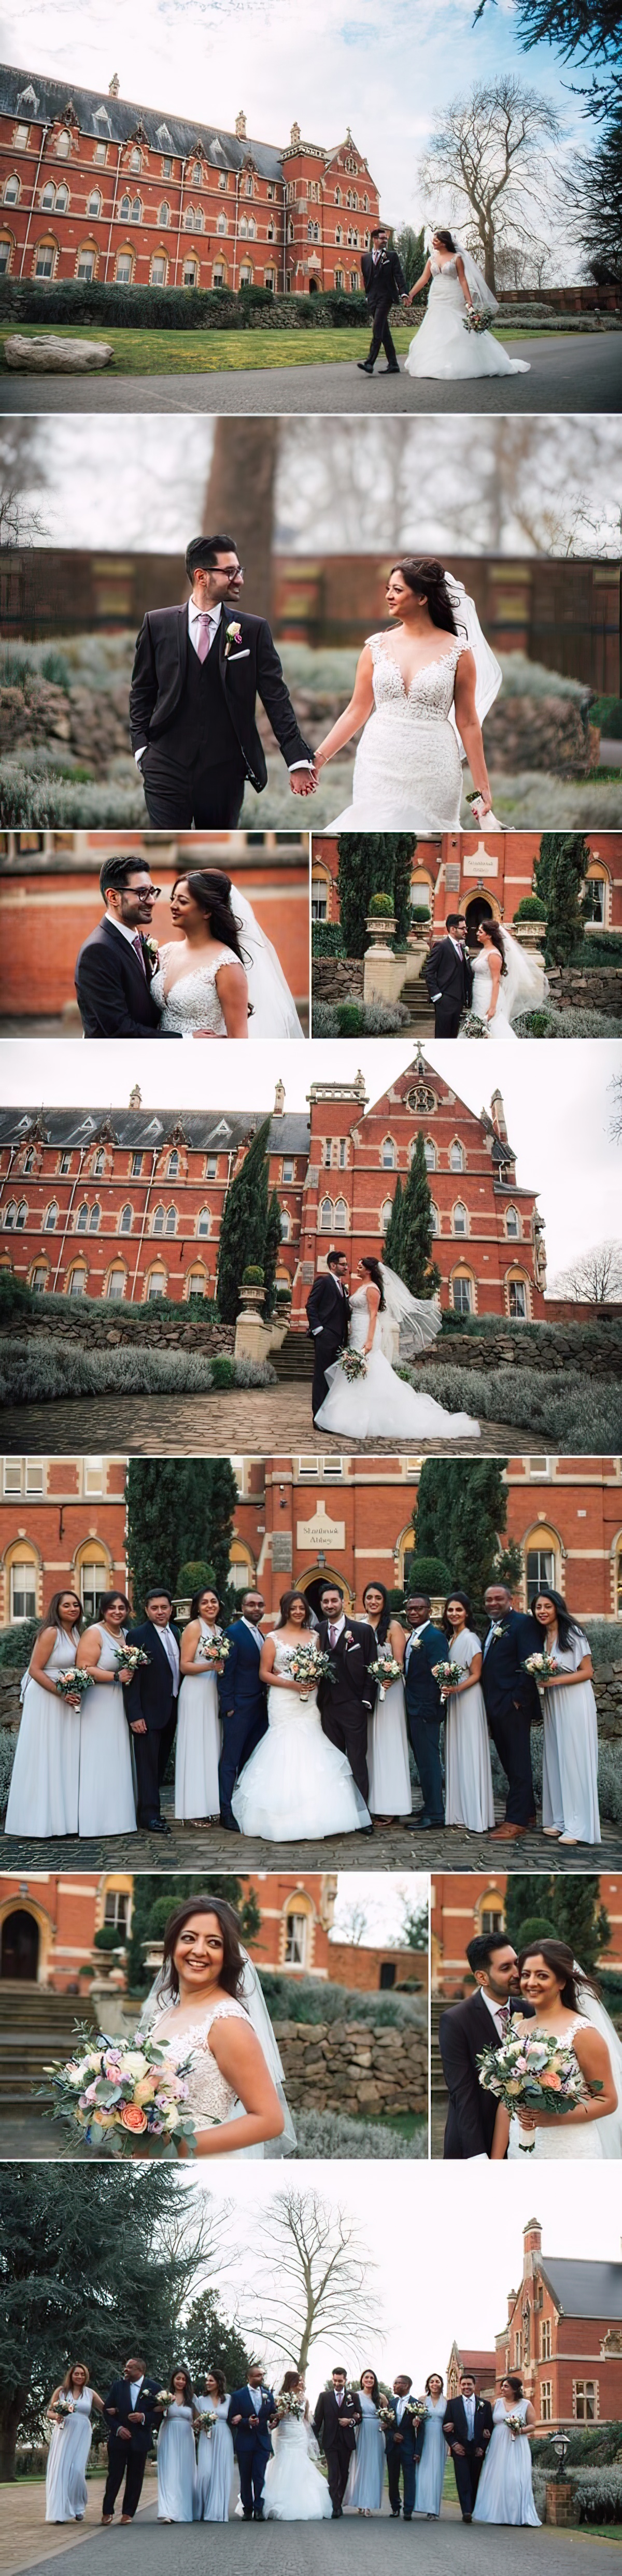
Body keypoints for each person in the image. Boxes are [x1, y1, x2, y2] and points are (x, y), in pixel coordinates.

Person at [129, 532, 315, 830]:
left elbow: (276, 698)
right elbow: (142, 691)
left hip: (224, 773)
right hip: (165, 766)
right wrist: (141, 748)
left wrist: (297, 761)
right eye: (230, 572)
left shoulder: (253, 630)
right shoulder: (157, 624)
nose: (239, 579)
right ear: (201, 576)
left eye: (239, 570)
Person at [313, 559, 502, 831]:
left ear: (423, 597)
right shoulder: (375, 647)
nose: (389, 596)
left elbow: (469, 722)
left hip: (434, 765)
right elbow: (357, 710)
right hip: (379, 763)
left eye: (398, 590)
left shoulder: (459, 652)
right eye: (388, 589)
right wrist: (318, 760)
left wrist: (482, 787)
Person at [138, 1895, 288, 2156]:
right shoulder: (164, 2014)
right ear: (173, 1945)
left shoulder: (227, 2022)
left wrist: (175, 2148)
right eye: (189, 1938)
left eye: (214, 1943)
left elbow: (270, 2120)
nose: (199, 1950)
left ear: (227, 1955)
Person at [231, 1589, 371, 1838]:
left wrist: (313, 1677)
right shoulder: (272, 1638)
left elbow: (322, 1665)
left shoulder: (315, 1636)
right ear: (285, 1611)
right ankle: (280, 1818)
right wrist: (293, 1685)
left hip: (310, 1702)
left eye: (302, 1608)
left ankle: (323, 1814)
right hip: (284, 1700)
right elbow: (265, 1673)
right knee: (284, 1747)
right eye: (293, 1608)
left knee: (313, 1744)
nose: (298, 1612)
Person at [314, 1255, 480, 1444]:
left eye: (360, 1266)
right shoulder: (361, 1287)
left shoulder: (372, 1289)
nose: (356, 1268)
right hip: (356, 1333)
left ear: (369, 1270)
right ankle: (347, 1417)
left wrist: (369, 1342)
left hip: (366, 1334)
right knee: (358, 1374)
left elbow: (374, 1316)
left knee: (369, 1371)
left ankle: (362, 1419)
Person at [490, 1940, 619, 2162]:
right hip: (520, 2150)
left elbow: (608, 2100)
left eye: (542, 1976)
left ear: (561, 1981)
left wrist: (556, 2118)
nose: (531, 1983)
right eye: (526, 1975)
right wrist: (495, 2161)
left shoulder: (583, 2033)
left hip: (570, 2150)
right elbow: (506, 2102)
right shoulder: (517, 2029)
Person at [149, 867, 304, 1039]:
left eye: (183, 902)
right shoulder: (165, 952)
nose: (173, 906)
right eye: (173, 899)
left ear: (207, 912)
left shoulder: (226, 965)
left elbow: (238, 1040)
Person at [439, 1930, 532, 2160]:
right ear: (482, 1977)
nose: (516, 1973)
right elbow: (462, 2093)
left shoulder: (530, 2012)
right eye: (505, 1968)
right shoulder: (456, 2020)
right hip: (474, 2140)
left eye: (516, 1964)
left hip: (523, 2140)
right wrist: (477, 2156)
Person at [75, 854, 181, 1038]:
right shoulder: (98, 951)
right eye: (142, 893)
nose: (151, 901)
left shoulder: (136, 940)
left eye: (152, 891)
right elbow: (120, 1030)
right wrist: (186, 1039)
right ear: (113, 897)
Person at [5, 1589, 83, 1840]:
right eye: (67, 1605)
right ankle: (37, 1821)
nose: (72, 1609)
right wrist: (61, 1693)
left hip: (66, 1698)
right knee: (45, 1754)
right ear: (56, 1609)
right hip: (46, 1698)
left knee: (63, 1755)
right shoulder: (51, 1633)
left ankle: (63, 1820)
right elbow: (36, 1670)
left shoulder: (77, 1633)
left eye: (76, 1605)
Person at [404, 230, 530, 381]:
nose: (433, 242)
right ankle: (436, 363)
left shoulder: (457, 258)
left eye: (436, 240)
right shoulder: (431, 259)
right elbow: (424, 279)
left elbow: (463, 280)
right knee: (437, 325)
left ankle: (466, 362)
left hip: (453, 294)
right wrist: (411, 294)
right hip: (437, 295)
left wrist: (468, 300)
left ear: (444, 243)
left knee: (456, 325)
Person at [533, 1587, 601, 1845]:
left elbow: (587, 1671)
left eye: (547, 1607)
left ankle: (579, 1826)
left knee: (574, 1759)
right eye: (538, 1607)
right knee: (557, 1757)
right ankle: (561, 1819)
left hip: (574, 1700)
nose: (542, 1611)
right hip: (554, 1703)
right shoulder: (542, 1637)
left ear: (557, 1607)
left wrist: (556, 1681)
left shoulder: (573, 1634)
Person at [480, 1582, 542, 1838]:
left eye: (498, 1599)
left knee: (518, 1762)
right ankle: (527, 1812)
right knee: (508, 1761)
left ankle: (516, 1821)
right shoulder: (492, 1627)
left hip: (512, 1705)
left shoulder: (522, 1624)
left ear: (510, 1600)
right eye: (488, 1600)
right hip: (495, 1704)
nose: (493, 1603)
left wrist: (519, 1699)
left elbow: (531, 1662)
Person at [74, 1591, 137, 1836]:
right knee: (100, 1757)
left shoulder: (127, 1636)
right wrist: (114, 1676)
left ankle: (120, 1819)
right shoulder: (94, 1633)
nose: (117, 1612)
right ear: (103, 1610)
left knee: (118, 1756)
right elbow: (84, 1667)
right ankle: (97, 1821)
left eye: (122, 1608)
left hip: (119, 1702)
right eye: (112, 1608)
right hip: (99, 1703)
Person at [124, 1583, 179, 1837]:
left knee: (158, 1764)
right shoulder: (137, 1637)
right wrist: (135, 1715)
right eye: (155, 1608)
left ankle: (151, 1809)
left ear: (171, 1609)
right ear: (146, 1610)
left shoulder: (178, 1632)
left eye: (164, 1608)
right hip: (147, 1712)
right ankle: (149, 1816)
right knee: (147, 1765)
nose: (160, 1612)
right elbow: (131, 1680)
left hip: (171, 1709)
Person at [316, 1580, 376, 1810]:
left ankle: (362, 1814)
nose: (330, 1605)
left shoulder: (362, 1631)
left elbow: (371, 1668)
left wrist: (366, 1701)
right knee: (334, 1761)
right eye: (326, 1602)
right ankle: (338, 1810)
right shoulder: (317, 1631)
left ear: (343, 1602)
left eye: (334, 1600)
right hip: (327, 1707)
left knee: (357, 1760)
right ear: (321, 1605)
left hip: (353, 1706)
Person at [442, 1590, 494, 1835]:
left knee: (470, 1750)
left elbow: (477, 1674)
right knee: (457, 1751)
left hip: (469, 1698)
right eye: (450, 1610)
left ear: (467, 1613)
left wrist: (456, 1688)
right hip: (454, 1699)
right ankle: (460, 1811)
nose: (454, 1614)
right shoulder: (451, 1639)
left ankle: (475, 1813)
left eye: (458, 1610)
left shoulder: (471, 1638)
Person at [360, 1580, 412, 1822]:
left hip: (390, 1692)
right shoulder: (359, 1626)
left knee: (389, 1745)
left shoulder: (393, 1627)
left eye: (378, 1598)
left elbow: (400, 1663)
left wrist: (388, 1676)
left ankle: (392, 1806)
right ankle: (373, 1802)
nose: (373, 1602)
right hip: (366, 1694)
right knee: (370, 1746)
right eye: (369, 1597)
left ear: (384, 1602)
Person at [217, 1589, 268, 1831]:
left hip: (259, 1707)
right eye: (251, 1605)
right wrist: (228, 1706)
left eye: (260, 1605)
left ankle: (242, 1806)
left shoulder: (262, 1634)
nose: (256, 1609)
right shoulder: (234, 1633)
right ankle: (226, 1812)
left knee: (249, 1761)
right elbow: (226, 1673)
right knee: (231, 1761)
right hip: (238, 1708)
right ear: (242, 1608)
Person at [401, 1590, 449, 1832]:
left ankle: (435, 1814)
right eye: (410, 1609)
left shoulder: (434, 1637)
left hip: (426, 1710)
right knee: (421, 1760)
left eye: (419, 1608)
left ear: (430, 1611)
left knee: (430, 1761)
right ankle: (430, 1805)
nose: (413, 1612)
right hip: (413, 1707)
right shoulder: (413, 1636)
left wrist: (432, 1708)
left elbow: (440, 1674)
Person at [175, 1585, 222, 1826]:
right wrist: (211, 1667)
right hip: (195, 1691)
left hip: (213, 1692)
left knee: (212, 1746)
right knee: (196, 1748)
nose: (210, 1606)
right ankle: (192, 1810)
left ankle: (211, 1804)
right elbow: (185, 1666)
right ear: (197, 1607)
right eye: (205, 1603)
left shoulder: (220, 1630)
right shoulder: (194, 1628)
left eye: (213, 1601)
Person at [101, 2358, 164, 2525]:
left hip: (140, 2440)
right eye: (126, 2367)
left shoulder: (154, 2388)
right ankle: (107, 2511)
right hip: (118, 2440)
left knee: (135, 2478)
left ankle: (128, 2513)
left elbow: (159, 2414)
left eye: (130, 2368)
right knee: (114, 2476)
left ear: (140, 2370)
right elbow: (107, 2412)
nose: (125, 2370)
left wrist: (144, 2417)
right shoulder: (118, 2387)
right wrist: (119, 2429)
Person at [263, 2372, 333, 2521]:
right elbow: (274, 2416)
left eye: (302, 2381)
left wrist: (309, 2438)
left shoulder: (305, 2399)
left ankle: (300, 2499)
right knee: (283, 2461)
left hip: (299, 2434)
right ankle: (279, 2497)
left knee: (299, 2462)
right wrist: (282, 2413)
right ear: (291, 2381)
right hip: (283, 2434)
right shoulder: (280, 2397)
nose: (302, 2383)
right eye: (299, 2380)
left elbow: (306, 2420)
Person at [473, 2378, 540, 2526]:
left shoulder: (526, 2405)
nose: (503, 2389)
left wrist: (520, 2430)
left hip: (517, 2445)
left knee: (515, 2478)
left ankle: (517, 2515)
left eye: (506, 2386)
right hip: (498, 2445)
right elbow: (488, 2423)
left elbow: (533, 2425)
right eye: (502, 2386)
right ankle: (498, 2515)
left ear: (515, 2389)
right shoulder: (497, 2404)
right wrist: (485, 2431)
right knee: (498, 2478)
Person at [45, 2364, 105, 2523]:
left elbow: (105, 2409)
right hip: (64, 2433)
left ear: (86, 2376)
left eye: (83, 2374)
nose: (79, 2377)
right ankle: (61, 2513)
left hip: (83, 2433)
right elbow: (50, 2411)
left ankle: (78, 2507)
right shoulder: (62, 2392)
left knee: (78, 2470)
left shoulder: (90, 2394)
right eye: (76, 2374)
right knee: (62, 2471)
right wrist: (56, 2417)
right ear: (71, 2375)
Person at [471, 916, 548, 1036]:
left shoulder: (494, 955)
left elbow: (496, 981)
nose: (477, 934)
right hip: (479, 992)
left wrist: (492, 1007)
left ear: (489, 935)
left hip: (488, 993)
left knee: (492, 1025)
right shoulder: (484, 951)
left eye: (481, 931)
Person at [306, 1248, 351, 1423]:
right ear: (333, 1265)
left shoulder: (342, 1287)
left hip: (339, 1340)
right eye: (343, 1264)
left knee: (333, 1379)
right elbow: (311, 1306)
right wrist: (319, 1331)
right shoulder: (323, 1281)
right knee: (321, 1377)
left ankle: (329, 1416)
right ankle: (318, 1418)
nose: (346, 1268)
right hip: (325, 1338)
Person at [442, 2373, 493, 2521]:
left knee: (475, 2479)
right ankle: (466, 2512)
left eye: (469, 2385)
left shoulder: (484, 2405)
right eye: (464, 2385)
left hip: (477, 2449)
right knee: (463, 2478)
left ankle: (473, 2508)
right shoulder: (452, 2404)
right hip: (460, 2449)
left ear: (474, 2386)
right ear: (460, 2386)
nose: (466, 2387)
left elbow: (489, 2429)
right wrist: (454, 2444)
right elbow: (446, 2428)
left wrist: (482, 2447)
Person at [358, 226, 408, 376]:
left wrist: (404, 293)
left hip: (386, 296)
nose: (385, 240)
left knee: (378, 328)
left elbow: (398, 275)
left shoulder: (391, 256)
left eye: (386, 238)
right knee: (384, 332)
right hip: (372, 298)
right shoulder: (365, 258)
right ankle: (393, 364)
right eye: (382, 238)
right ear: (375, 239)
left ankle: (370, 363)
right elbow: (367, 278)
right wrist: (367, 296)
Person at [313, 2371, 362, 2519]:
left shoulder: (353, 2397)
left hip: (346, 2441)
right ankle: (334, 2506)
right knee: (334, 2474)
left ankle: (339, 2502)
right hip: (330, 2440)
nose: (337, 2384)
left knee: (344, 2473)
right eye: (335, 2380)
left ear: (345, 2380)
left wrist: (351, 2422)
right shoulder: (324, 2397)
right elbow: (318, 2418)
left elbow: (359, 2415)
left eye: (340, 2381)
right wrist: (313, 2439)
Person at [229, 2368, 276, 2520]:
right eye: (258, 2375)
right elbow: (232, 2418)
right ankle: (247, 2508)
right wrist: (246, 2421)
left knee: (259, 2476)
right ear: (249, 2377)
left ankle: (259, 2509)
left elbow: (272, 2414)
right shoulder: (238, 2396)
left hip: (262, 2442)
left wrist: (276, 2420)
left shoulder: (268, 2395)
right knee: (246, 2477)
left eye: (262, 2375)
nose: (261, 2377)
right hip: (245, 2442)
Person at [157, 2369, 198, 2522]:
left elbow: (197, 2419)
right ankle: (168, 2512)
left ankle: (184, 2509)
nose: (180, 2382)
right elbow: (155, 2411)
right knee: (170, 2472)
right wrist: (163, 2405)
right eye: (178, 2378)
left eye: (184, 2379)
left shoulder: (192, 2399)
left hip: (186, 2437)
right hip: (168, 2435)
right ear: (173, 2379)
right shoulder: (165, 2395)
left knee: (184, 2473)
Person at [424, 912, 473, 1038]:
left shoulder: (461, 947)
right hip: (445, 1000)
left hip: (459, 1001)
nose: (466, 931)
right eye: (463, 928)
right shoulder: (441, 946)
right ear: (452, 929)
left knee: (453, 1038)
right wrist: (437, 996)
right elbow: (429, 971)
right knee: (442, 1038)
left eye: (466, 928)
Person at [194, 2371, 234, 2522]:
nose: (208, 2383)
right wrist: (199, 2423)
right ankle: (202, 2509)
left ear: (219, 2382)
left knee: (220, 2474)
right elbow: (196, 2421)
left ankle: (216, 2511)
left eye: (211, 2381)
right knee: (206, 2473)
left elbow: (233, 2416)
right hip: (207, 2437)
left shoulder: (228, 2399)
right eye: (207, 2381)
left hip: (223, 2436)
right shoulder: (201, 2400)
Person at [344, 2370, 385, 2514]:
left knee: (374, 2467)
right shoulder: (355, 2396)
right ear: (362, 2380)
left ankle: (369, 2504)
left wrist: (386, 2423)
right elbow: (350, 2413)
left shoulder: (380, 2398)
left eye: (372, 2378)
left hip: (376, 2432)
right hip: (361, 2431)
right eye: (366, 2377)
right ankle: (360, 2501)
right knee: (361, 2466)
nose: (369, 2380)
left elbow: (387, 2416)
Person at [384, 2376, 423, 2520]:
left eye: (397, 2383)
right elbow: (386, 2425)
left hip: (409, 2447)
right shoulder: (391, 2404)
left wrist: (418, 2451)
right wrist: (393, 2435)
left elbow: (421, 2431)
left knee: (409, 2479)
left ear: (406, 2386)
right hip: (393, 2447)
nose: (394, 2385)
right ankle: (395, 2508)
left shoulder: (417, 2404)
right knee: (393, 2479)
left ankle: (408, 2510)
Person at [415, 2375, 447, 2519]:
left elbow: (451, 2420)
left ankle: (433, 2509)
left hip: (440, 2438)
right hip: (425, 2437)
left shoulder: (447, 2402)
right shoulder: (422, 2400)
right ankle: (421, 2504)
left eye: (437, 2382)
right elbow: (414, 2417)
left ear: (441, 2384)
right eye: (432, 2382)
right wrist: (416, 2420)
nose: (434, 2384)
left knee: (437, 2472)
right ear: (428, 2384)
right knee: (423, 2471)